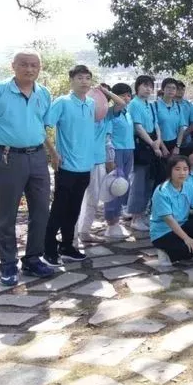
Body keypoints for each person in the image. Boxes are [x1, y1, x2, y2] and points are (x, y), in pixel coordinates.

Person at [0, 49, 55, 285]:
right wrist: (8, 141)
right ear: (13, 66)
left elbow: (43, 126)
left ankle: (33, 258)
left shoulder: (44, 93)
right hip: (9, 158)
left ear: (39, 68)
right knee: (7, 214)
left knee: (41, 211)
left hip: (38, 157)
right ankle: (8, 264)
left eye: (34, 65)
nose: (29, 69)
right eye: (24, 64)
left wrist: (50, 153)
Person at [43, 65, 97, 266]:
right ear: (71, 81)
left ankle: (66, 246)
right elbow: (43, 127)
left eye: (87, 78)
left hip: (85, 167)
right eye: (80, 77)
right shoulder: (62, 102)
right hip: (66, 167)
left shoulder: (91, 103)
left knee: (74, 210)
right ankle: (48, 250)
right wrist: (53, 153)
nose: (84, 81)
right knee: (59, 210)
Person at [76, 85, 126, 244]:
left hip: (98, 161)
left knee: (93, 198)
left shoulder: (107, 115)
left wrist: (104, 91)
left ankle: (84, 231)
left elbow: (121, 103)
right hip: (79, 161)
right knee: (76, 198)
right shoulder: (82, 112)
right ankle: (71, 234)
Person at [150, 156, 193, 267]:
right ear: (170, 171)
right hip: (163, 232)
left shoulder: (188, 186)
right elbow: (169, 220)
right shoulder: (162, 191)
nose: (182, 173)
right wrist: (186, 238)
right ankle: (164, 252)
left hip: (182, 225)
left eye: (185, 169)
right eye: (177, 169)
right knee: (185, 249)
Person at [127, 75, 164, 232]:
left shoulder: (150, 104)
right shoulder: (134, 104)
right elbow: (138, 127)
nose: (148, 89)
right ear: (137, 87)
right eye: (145, 86)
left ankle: (142, 214)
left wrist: (158, 141)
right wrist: (153, 144)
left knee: (150, 181)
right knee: (139, 183)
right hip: (141, 146)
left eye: (150, 86)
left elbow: (156, 125)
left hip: (152, 144)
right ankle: (135, 217)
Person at [103, 82, 135, 239]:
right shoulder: (112, 113)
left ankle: (117, 218)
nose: (127, 98)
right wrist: (110, 158)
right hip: (117, 152)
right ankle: (111, 222)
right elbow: (107, 137)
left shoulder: (127, 113)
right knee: (113, 186)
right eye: (123, 95)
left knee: (123, 185)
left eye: (129, 95)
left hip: (129, 150)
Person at [156, 77, 188, 156]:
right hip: (159, 143)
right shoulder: (155, 106)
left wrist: (177, 146)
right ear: (163, 89)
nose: (171, 90)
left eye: (174, 88)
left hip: (174, 143)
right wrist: (163, 147)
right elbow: (156, 128)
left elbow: (181, 127)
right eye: (168, 87)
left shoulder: (178, 107)